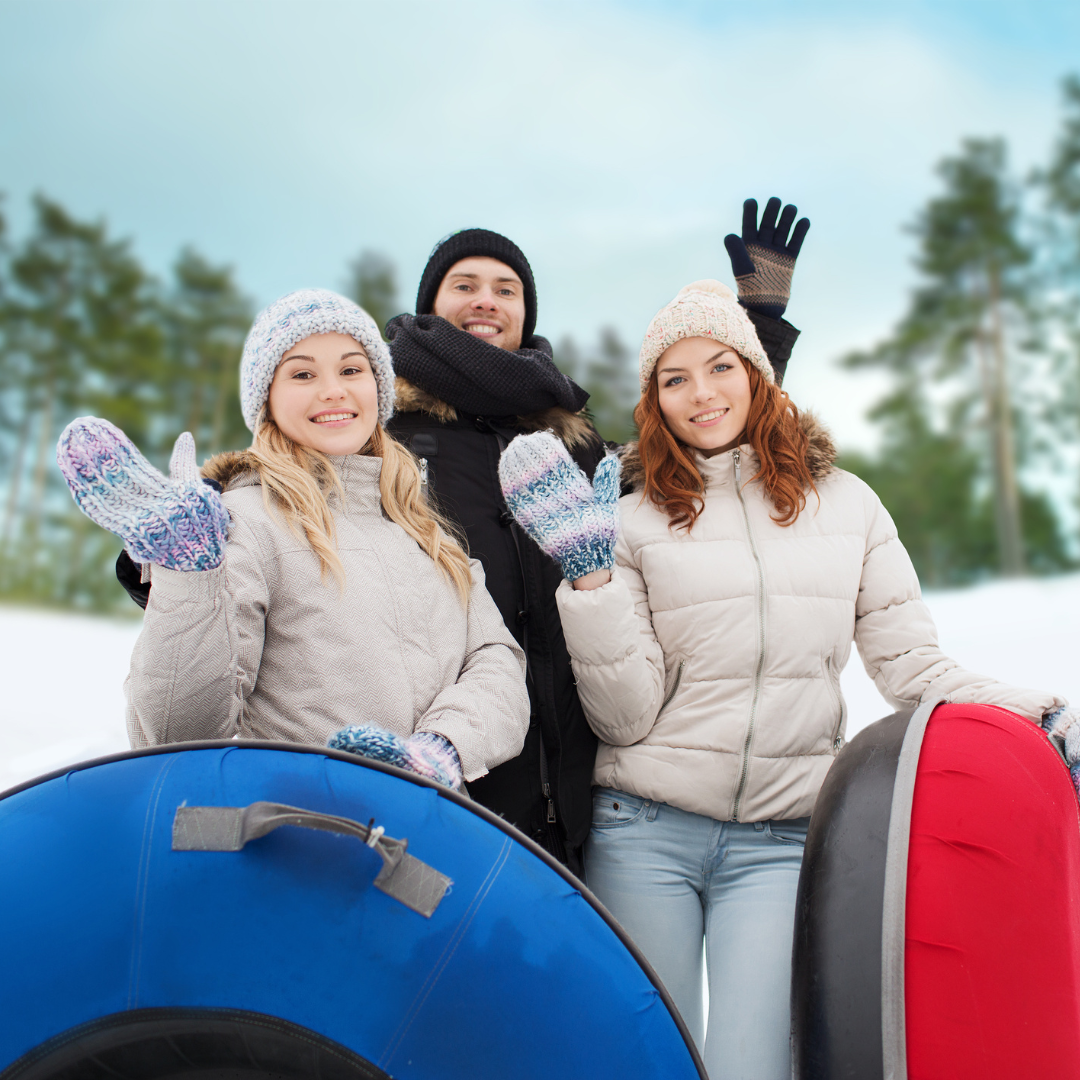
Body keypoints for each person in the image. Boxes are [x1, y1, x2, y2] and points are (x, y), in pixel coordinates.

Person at [108, 205, 804, 871]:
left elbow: (695, 446)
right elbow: (266, 491)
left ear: (527, 312)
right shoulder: (382, 444)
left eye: (506, 289)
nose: (486, 300)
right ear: (427, 307)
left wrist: (753, 334)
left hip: (569, 781)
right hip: (434, 794)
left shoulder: (569, 444)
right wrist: (168, 560)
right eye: (463, 284)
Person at [497, 279, 1069, 1079]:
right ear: (653, 400)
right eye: (675, 378)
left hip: (779, 837)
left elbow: (913, 668)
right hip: (644, 831)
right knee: (640, 1062)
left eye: (721, 366)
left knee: (752, 1067)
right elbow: (625, 720)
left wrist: (1040, 714)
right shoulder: (628, 515)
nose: (702, 394)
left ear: (758, 374)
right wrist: (589, 581)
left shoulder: (849, 506)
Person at [58, 289, 529, 788]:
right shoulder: (246, 523)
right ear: (268, 400)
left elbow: (495, 662)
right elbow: (177, 736)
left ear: (379, 388)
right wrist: (188, 574)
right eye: (303, 374)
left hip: (429, 835)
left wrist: (439, 750)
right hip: (295, 834)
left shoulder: (426, 532)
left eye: (351, 370)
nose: (333, 390)